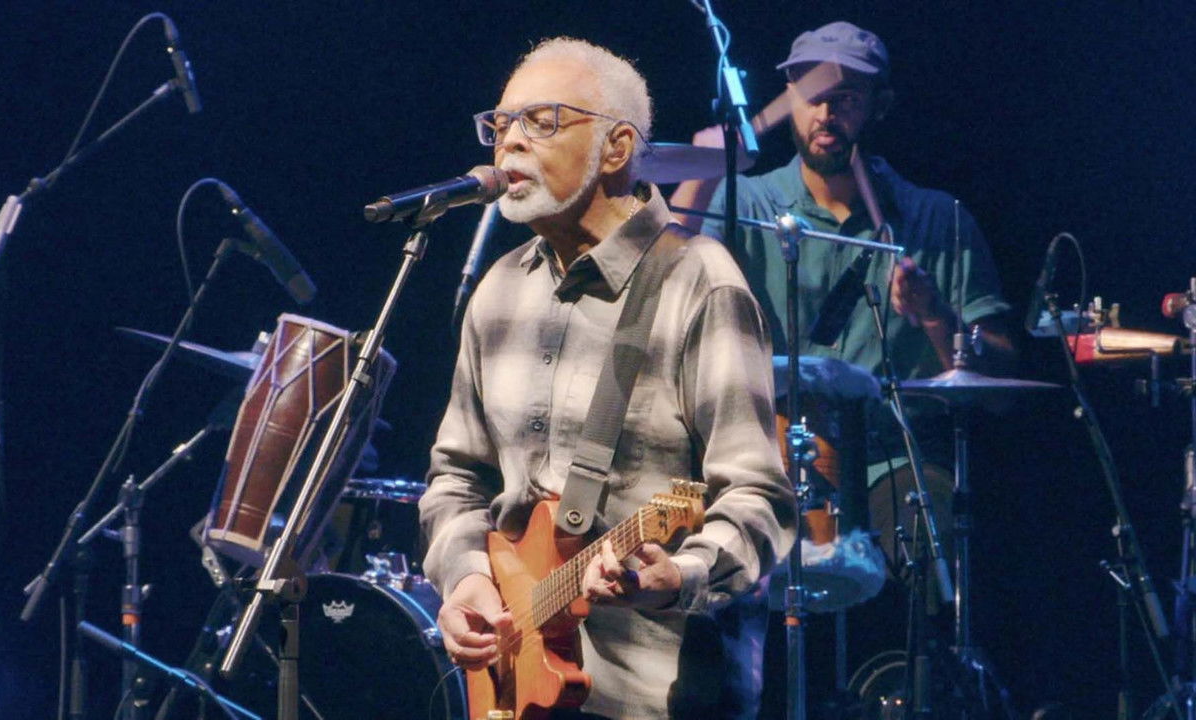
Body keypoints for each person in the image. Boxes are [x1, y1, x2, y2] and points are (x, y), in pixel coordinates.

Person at [418, 37, 797, 720]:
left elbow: (760, 496)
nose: (509, 145)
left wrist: (677, 574)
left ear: (617, 147)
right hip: (516, 687)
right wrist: (467, 579)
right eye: (499, 125)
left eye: (540, 121)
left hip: (659, 696)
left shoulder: (698, 283)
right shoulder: (498, 294)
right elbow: (455, 479)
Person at [671, 21, 1015, 530]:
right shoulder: (742, 204)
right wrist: (699, 173)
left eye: (847, 97)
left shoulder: (938, 222)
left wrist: (935, 314)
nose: (826, 113)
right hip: (762, 454)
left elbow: (1000, 389)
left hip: (891, 460)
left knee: (931, 522)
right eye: (812, 96)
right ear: (790, 102)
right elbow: (660, 287)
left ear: (881, 105)